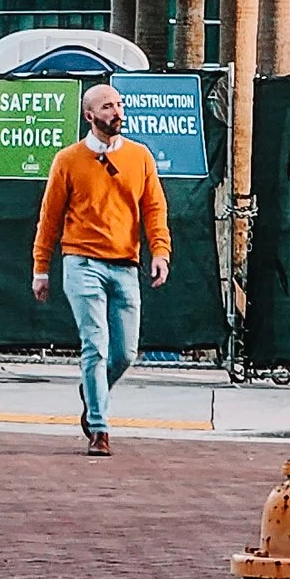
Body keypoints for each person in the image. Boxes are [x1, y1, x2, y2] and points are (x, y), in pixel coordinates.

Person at [30, 81, 171, 458]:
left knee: (125, 352)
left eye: (119, 105)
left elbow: (154, 209)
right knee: (95, 343)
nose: (116, 112)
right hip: (81, 262)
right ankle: (99, 427)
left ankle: (92, 390)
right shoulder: (68, 160)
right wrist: (41, 268)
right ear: (90, 115)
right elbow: (50, 218)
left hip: (126, 264)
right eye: (107, 106)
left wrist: (160, 252)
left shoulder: (140, 157)